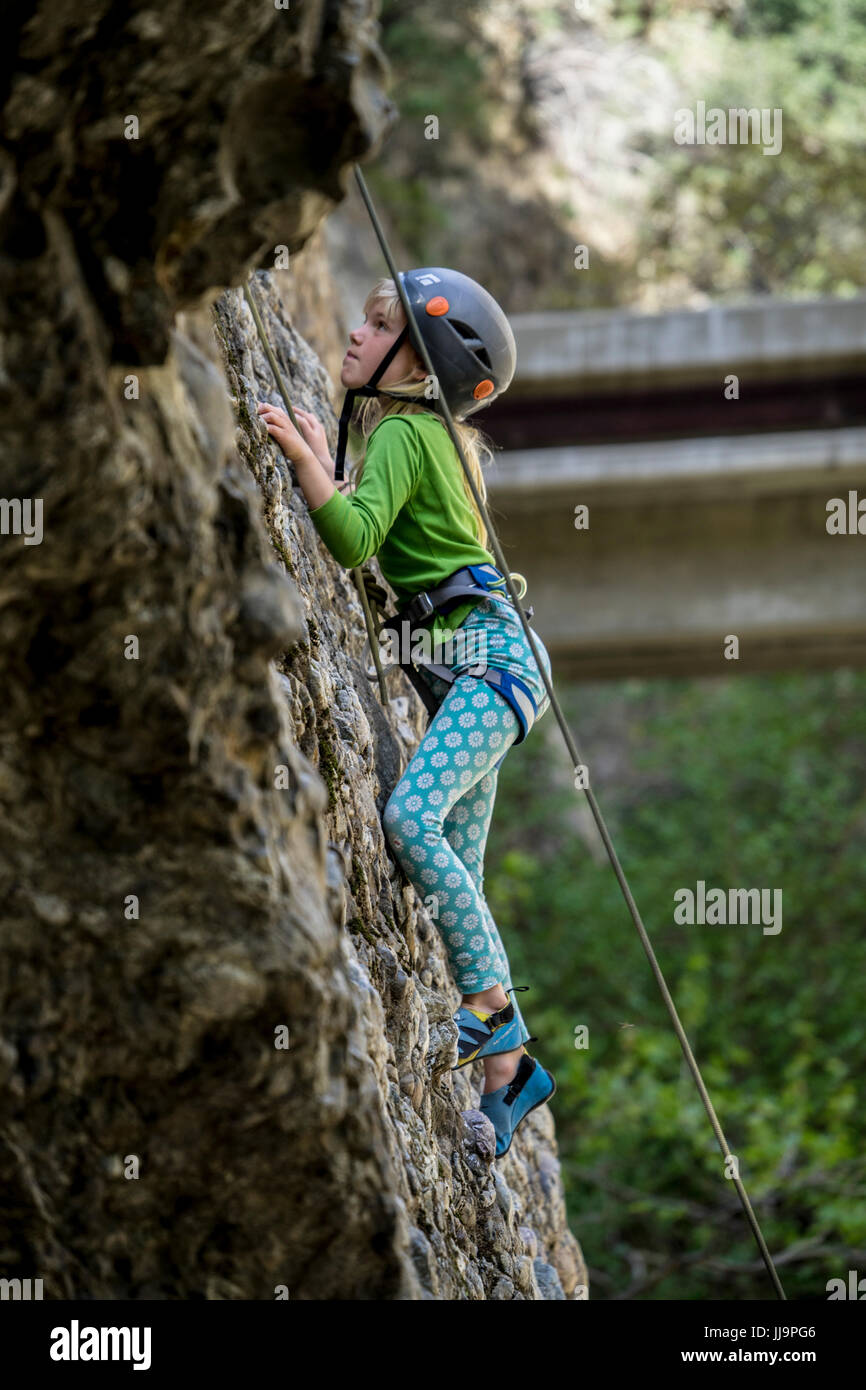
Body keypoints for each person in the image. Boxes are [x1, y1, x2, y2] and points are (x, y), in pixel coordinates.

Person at [257, 267, 556, 1159]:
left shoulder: (405, 433)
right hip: (488, 673)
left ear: (417, 367)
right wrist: (328, 457)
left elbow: (352, 539)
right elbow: (379, 529)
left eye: (378, 324)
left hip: (486, 669)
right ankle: (513, 1082)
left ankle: (493, 1013)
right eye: (360, 317)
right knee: (447, 869)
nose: (355, 332)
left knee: (408, 819)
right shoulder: (419, 438)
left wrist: (304, 460)